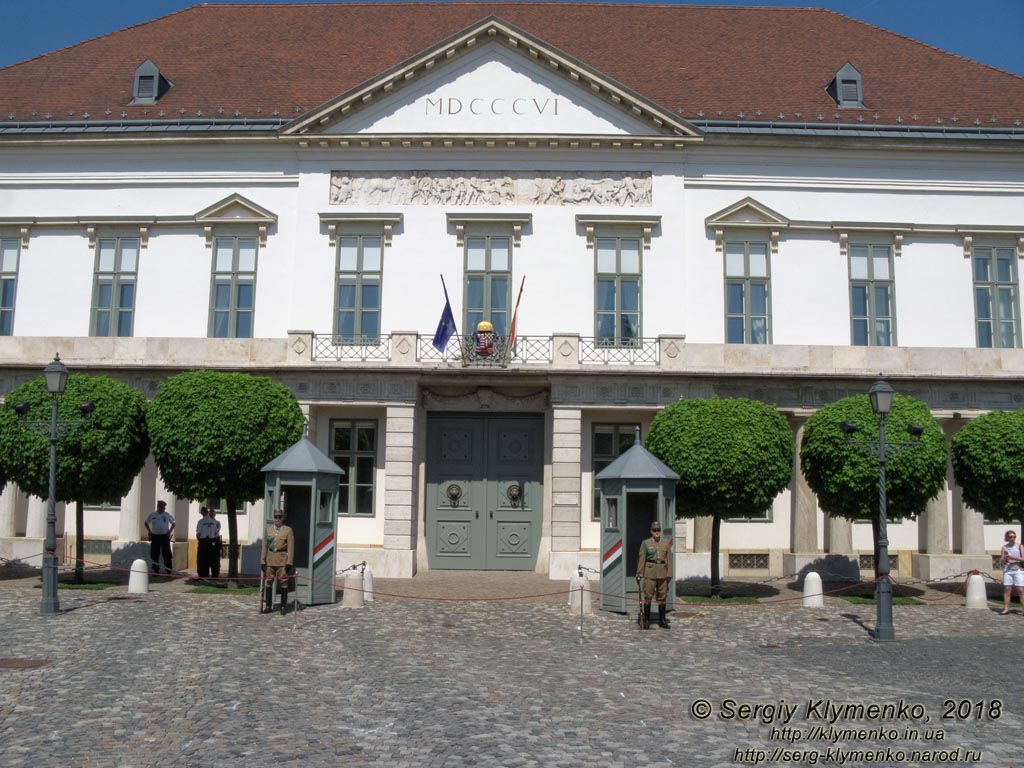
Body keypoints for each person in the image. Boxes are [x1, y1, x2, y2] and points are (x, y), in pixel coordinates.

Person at [637, 520, 672, 629]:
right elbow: (642, 559)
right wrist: (639, 573)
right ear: (651, 531)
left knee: (662, 597)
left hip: (662, 573)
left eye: (658, 530)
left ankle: (662, 620)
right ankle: (647, 621)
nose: (657, 532)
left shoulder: (666, 543)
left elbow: (669, 559)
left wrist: (669, 574)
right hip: (650, 573)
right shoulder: (645, 543)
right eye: (655, 530)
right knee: (648, 596)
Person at [261, 509, 294, 615]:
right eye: (276, 517)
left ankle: (283, 607)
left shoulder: (287, 530)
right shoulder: (268, 530)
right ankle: (268, 606)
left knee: (283, 583)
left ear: (282, 518)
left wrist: (289, 562)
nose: (278, 519)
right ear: (273, 518)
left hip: (281, 560)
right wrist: (262, 560)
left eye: (279, 517)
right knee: (269, 582)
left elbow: (291, 547)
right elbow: (264, 546)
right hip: (270, 560)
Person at [145, 500, 175, 576]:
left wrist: (169, 532)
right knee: (154, 554)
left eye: (164, 508)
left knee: (167, 554)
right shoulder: (152, 514)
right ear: (158, 507)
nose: (164, 509)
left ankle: (168, 571)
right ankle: (156, 571)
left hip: (164, 536)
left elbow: (174, 523)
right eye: (162, 508)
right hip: (155, 536)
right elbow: (146, 523)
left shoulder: (166, 514)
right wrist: (149, 531)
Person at [1000, 529, 1024, 615]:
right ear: (1007, 537)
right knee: (1007, 589)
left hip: (1017, 569)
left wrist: (1013, 557)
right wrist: (1005, 559)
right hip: (1008, 569)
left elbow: (1023, 558)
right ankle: (1006, 608)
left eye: (1014, 537)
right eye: (1010, 537)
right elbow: (1002, 559)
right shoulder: (1004, 547)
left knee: (1021, 590)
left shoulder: (1020, 546)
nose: (1012, 538)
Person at [195, 506, 221, 580]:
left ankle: (203, 575)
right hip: (212, 542)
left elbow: (198, 533)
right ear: (208, 512)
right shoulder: (213, 521)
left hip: (203, 542)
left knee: (202, 560)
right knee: (213, 560)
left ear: (203, 512)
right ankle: (214, 575)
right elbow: (216, 533)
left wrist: (199, 540)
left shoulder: (201, 521)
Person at [208, 507, 223, 579]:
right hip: (208, 541)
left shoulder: (217, 522)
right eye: (210, 513)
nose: (211, 514)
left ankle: (216, 573)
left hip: (215, 540)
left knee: (216, 558)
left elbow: (216, 531)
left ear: (215, 514)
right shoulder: (207, 522)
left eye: (212, 513)